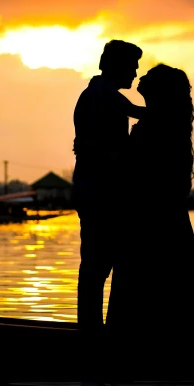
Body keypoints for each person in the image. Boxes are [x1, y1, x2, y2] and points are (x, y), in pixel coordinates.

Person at [106, 63, 194, 368]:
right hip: (165, 223)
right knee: (173, 292)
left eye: (149, 78)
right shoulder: (168, 122)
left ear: (160, 91)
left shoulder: (159, 127)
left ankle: (141, 355)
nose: (140, 79)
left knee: (147, 291)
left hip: (150, 224)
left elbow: (137, 173)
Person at [73, 39, 144, 332]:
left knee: (98, 263)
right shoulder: (99, 96)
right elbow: (89, 146)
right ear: (116, 65)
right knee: (96, 265)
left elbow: (138, 114)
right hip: (99, 193)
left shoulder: (104, 95)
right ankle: (90, 332)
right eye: (133, 65)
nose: (136, 72)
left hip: (99, 191)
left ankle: (91, 329)